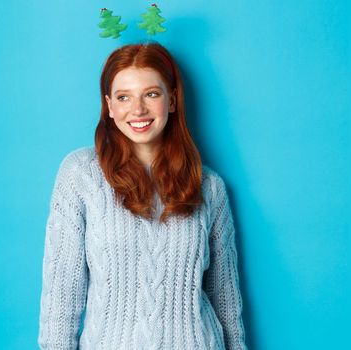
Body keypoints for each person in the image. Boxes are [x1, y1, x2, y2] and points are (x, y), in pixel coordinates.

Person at [37, 42, 248, 350]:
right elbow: (61, 297)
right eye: (124, 97)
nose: (137, 109)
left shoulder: (209, 186)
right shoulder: (80, 175)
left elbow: (226, 300)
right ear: (109, 106)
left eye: (151, 94)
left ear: (172, 100)